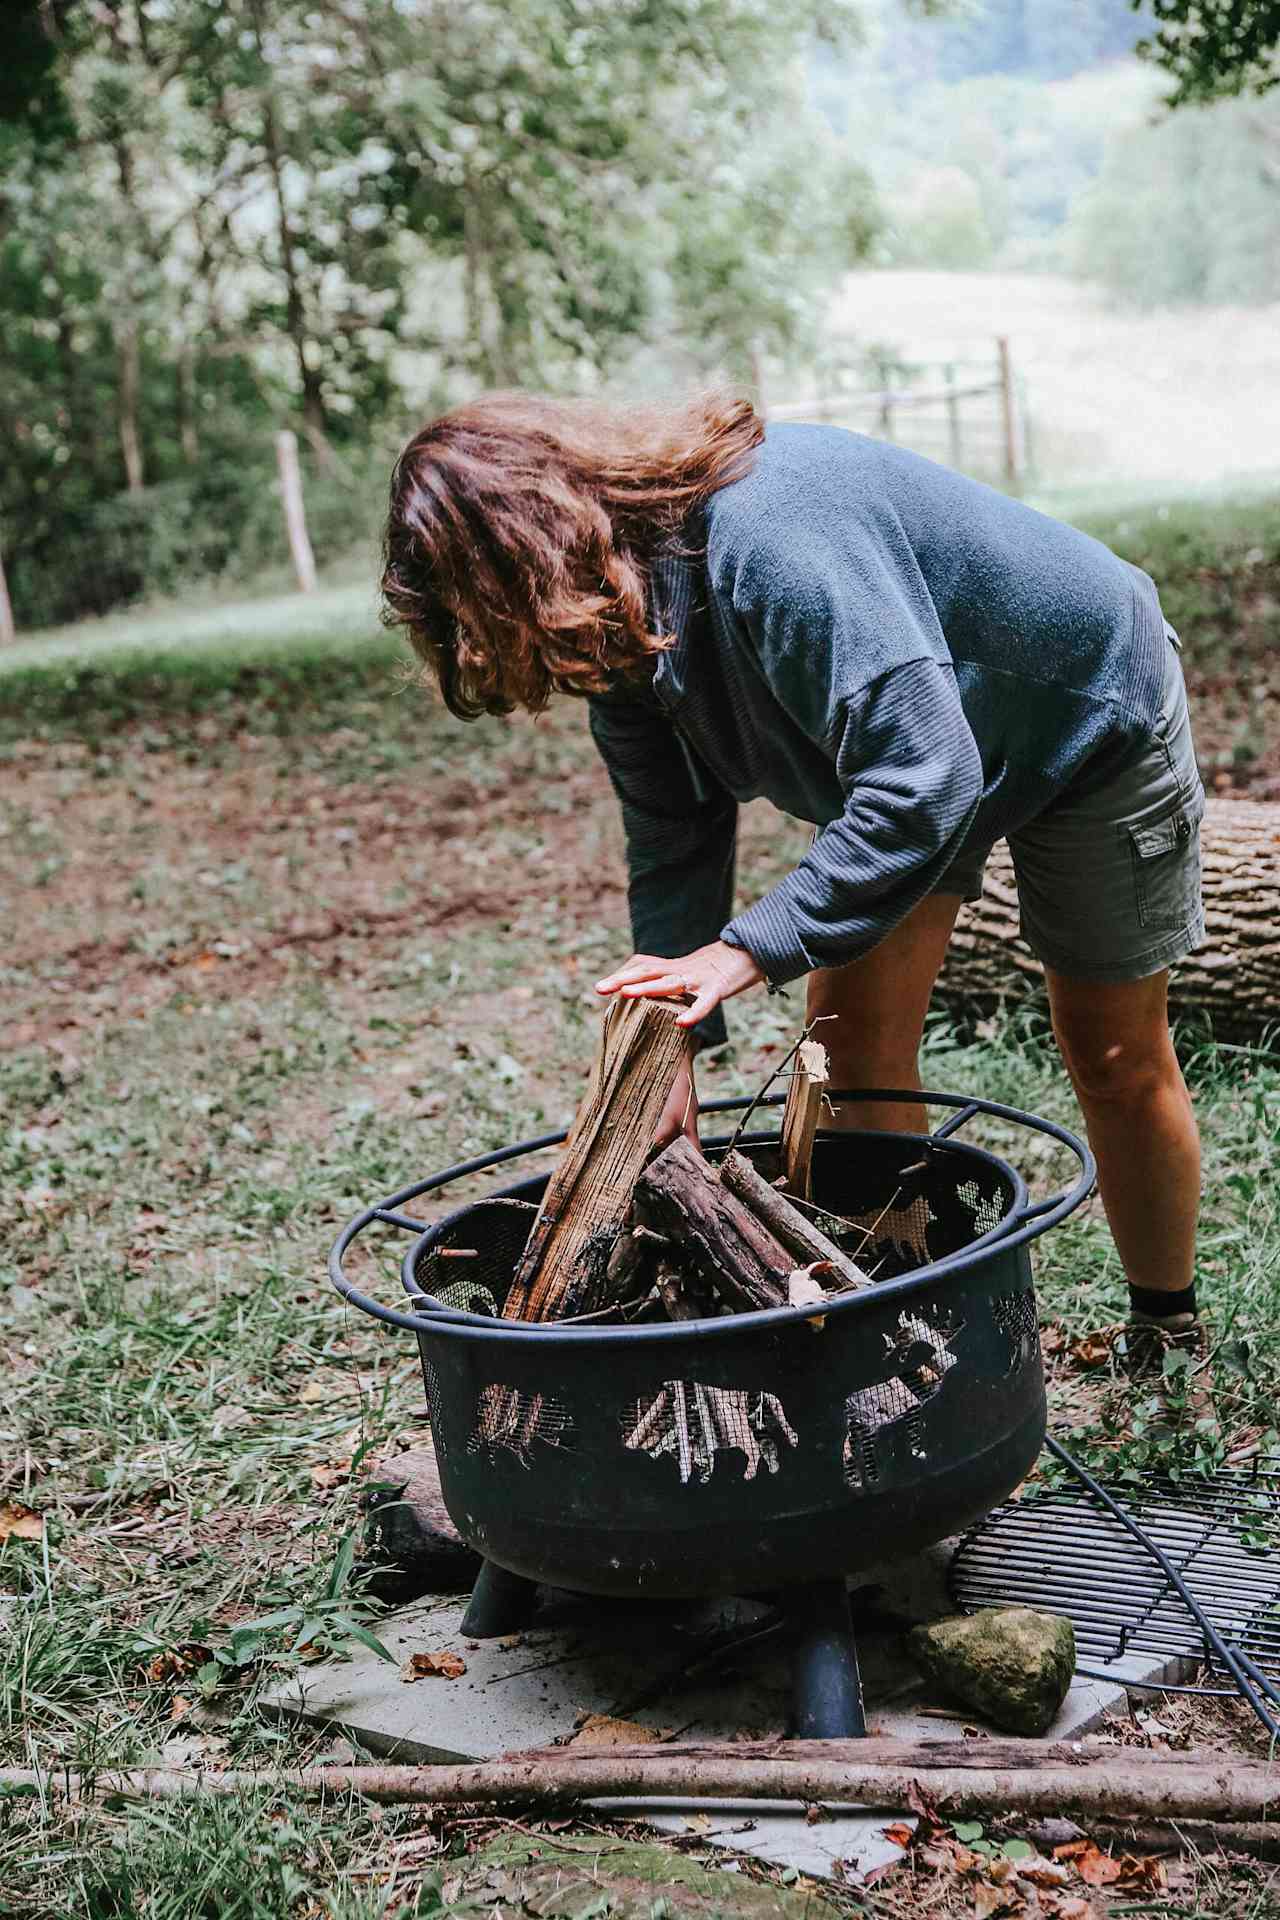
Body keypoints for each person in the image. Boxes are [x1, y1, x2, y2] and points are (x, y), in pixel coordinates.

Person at [381, 387, 1209, 1406]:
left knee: (1110, 1048)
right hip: (916, 745)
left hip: (1082, 709)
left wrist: (744, 952)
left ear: (531, 547)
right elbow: (672, 833)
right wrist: (672, 1040)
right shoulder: (615, 622)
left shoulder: (766, 538)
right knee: (849, 1045)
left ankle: (1164, 1325)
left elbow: (925, 776)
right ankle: (912, 1343)